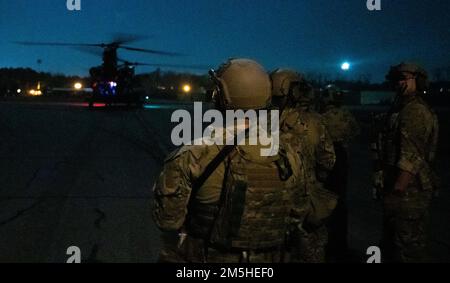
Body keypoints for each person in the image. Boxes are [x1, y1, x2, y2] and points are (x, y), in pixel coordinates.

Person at [152, 59, 302, 263]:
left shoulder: (195, 154)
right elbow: (297, 215)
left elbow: (168, 220)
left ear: (222, 97)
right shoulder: (288, 154)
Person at [270, 68, 337, 263]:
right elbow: (328, 161)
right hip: (307, 205)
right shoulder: (315, 122)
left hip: (273, 205)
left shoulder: (264, 122)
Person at [377, 62, 439, 262]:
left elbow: (410, 158)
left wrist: (396, 192)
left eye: (405, 78)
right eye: (397, 79)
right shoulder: (403, 108)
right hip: (404, 189)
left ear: (418, 80)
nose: (399, 83)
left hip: (409, 192)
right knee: (396, 244)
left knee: (408, 249)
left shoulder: (414, 112)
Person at [319, 84, 360, 261]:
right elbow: (356, 132)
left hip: (328, 157)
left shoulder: (321, 117)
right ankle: (340, 245)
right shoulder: (346, 114)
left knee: (324, 201)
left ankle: (327, 246)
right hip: (342, 157)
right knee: (340, 203)